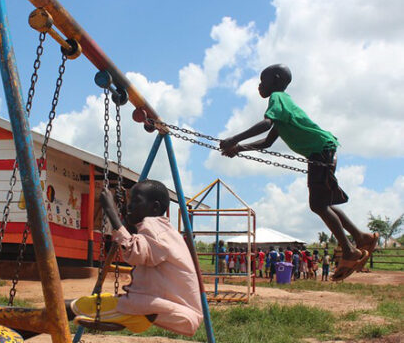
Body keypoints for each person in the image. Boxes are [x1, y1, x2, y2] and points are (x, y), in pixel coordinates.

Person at [219, 64, 379, 281]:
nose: (259, 85)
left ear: (275, 80)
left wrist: (234, 139)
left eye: (262, 80)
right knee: (322, 205)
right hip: (322, 150)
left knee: (318, 205)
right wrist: (239, 149)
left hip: (320, 151)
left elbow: (266, 124)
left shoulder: (277, 97)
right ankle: (362, 237)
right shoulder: (284, 106)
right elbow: (267, 142)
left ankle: (351, 250)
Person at [72, 180, 203, 336]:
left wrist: (109, 209)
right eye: (130, 201)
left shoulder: (153, 225)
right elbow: (138, 238)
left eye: (136, 201)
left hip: (157, 308)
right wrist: (122, 211)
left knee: (78, 306)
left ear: (154, 207)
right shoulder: (163, 228)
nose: (130, 206)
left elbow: (135, 253)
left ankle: (42, 317)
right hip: (166, 308)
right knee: (100, 300)